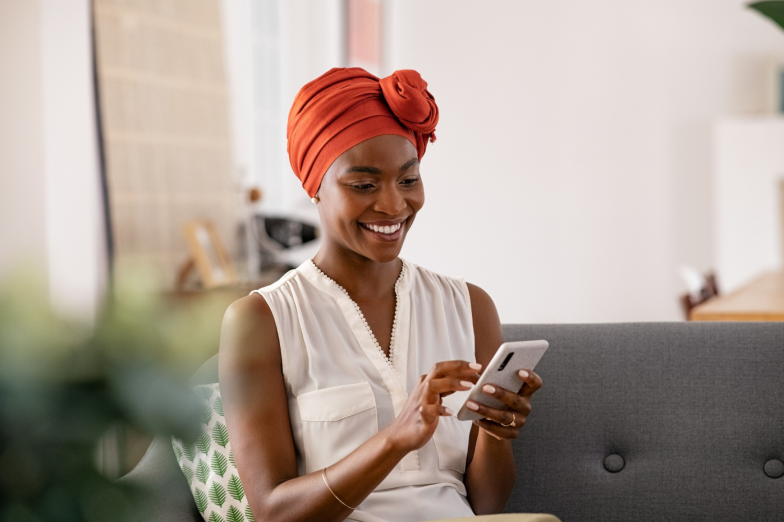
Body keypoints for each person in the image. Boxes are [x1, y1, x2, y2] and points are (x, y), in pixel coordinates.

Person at [219, 67, 543, 522]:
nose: (393, 205)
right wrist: (395, 438)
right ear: (314, 187)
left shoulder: (470, 307)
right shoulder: (261, 320)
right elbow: (274, 512)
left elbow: (488, 506)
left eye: (408, 180)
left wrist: (495, 432)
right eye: (364, 185)